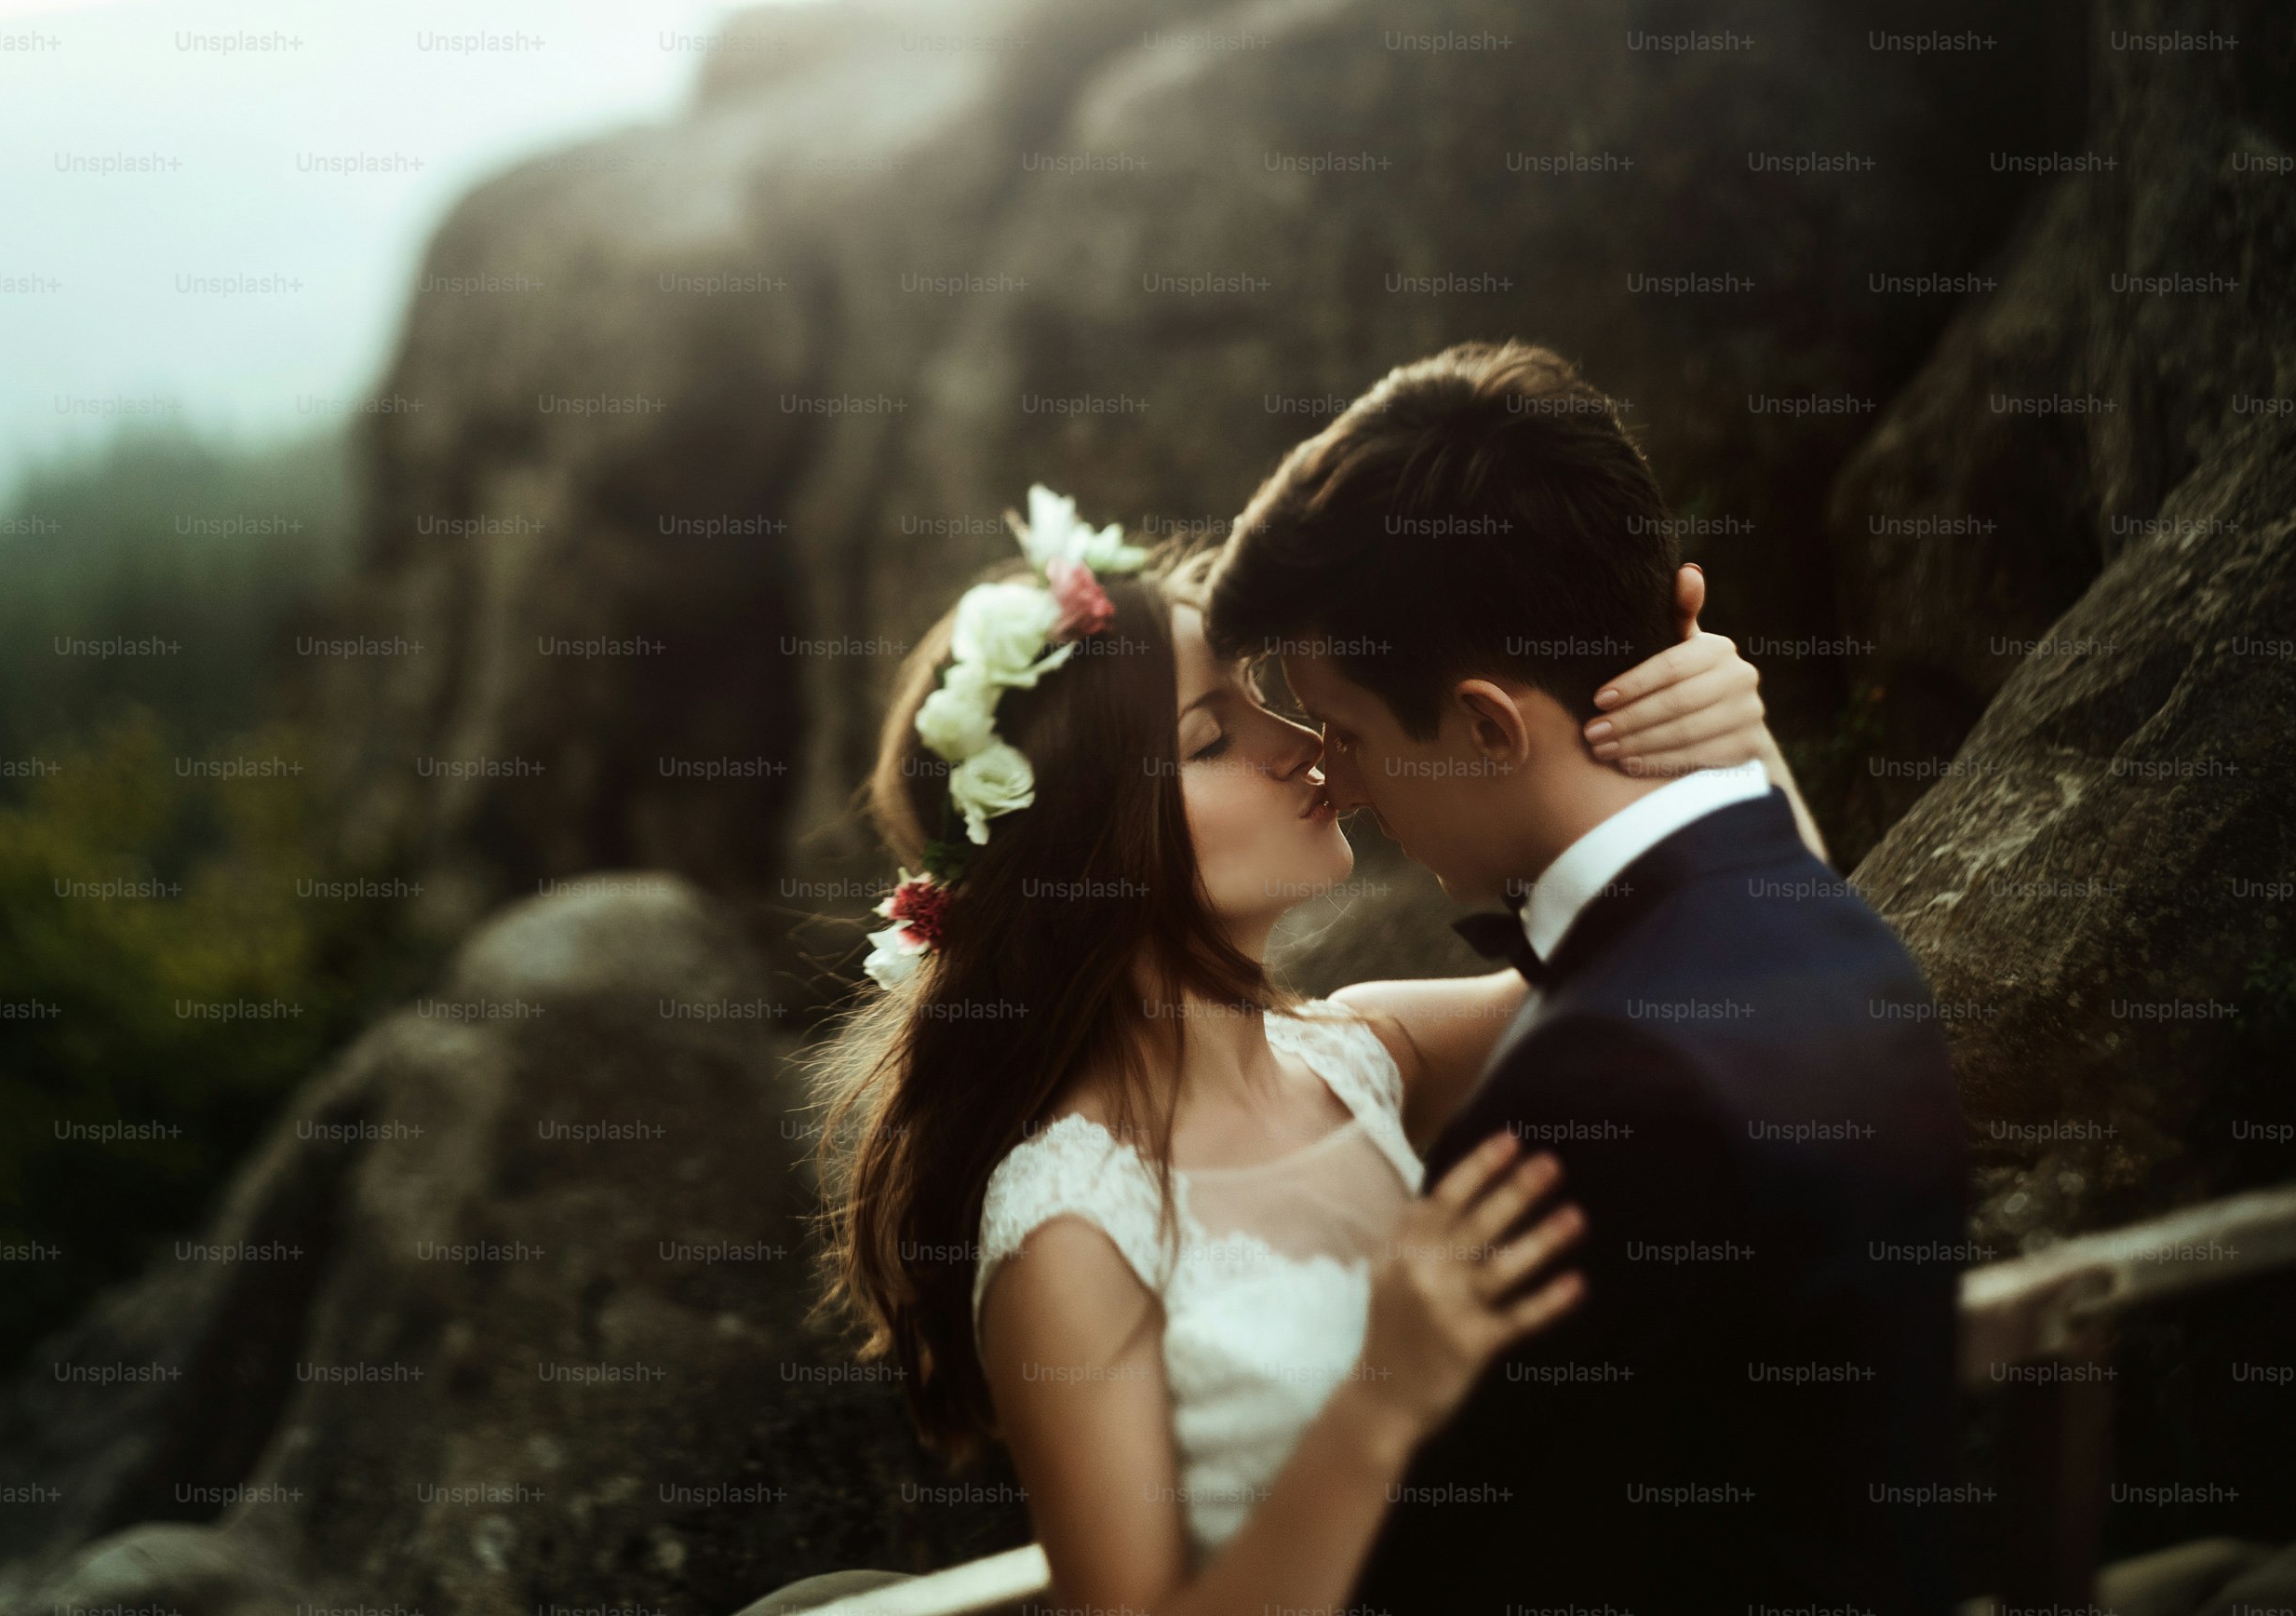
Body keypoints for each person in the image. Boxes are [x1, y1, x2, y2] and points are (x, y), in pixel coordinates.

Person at [762, 465, 1817, 1616]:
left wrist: (1724, 736)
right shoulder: (1068, 1228)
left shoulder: (1370, 1054)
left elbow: (1741, 977)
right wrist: (1380, 1402)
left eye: (1261, 695)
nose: (1298, 740)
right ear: (1086, 847)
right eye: (1212, 734)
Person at [1203, 340, 1971, 1615]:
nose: (1343, 782)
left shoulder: (1596, 1090)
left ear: (1486, 724)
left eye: (1350, 733)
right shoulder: (1831, 927)